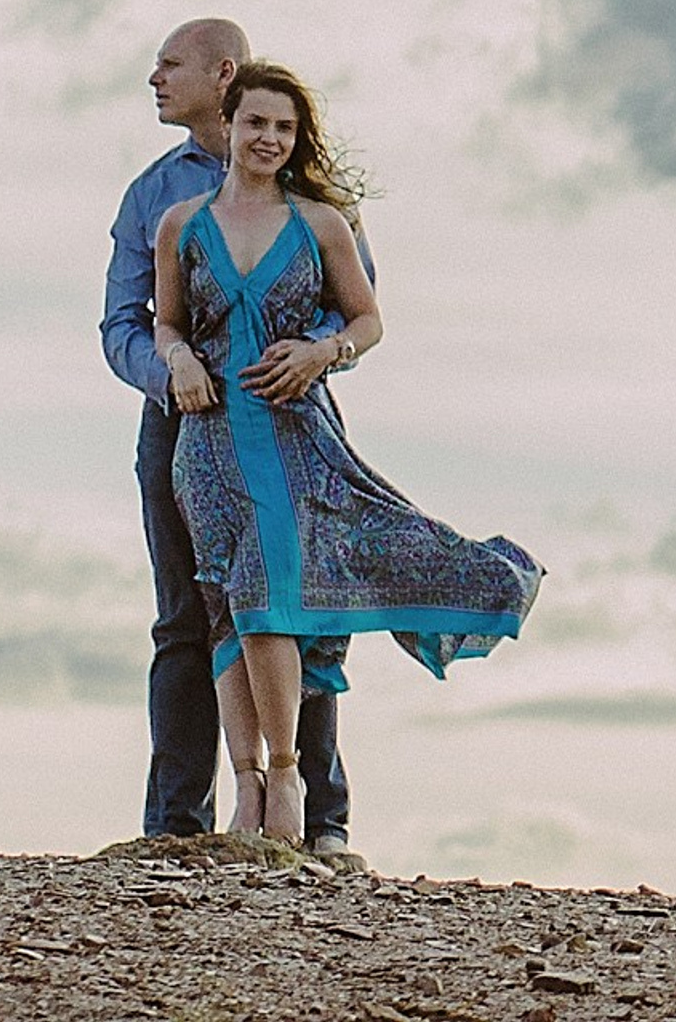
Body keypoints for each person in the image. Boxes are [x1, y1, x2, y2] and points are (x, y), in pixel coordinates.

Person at [152, 61, 542, 843]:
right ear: (227, 125)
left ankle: (290, 776)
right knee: (228, 606)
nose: (269, 139)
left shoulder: (321, 221)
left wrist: (321, 352)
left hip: (298, 435)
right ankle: (249, 789)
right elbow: (163, 321)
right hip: (210, 442)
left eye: (285, 129)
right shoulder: (182, 224)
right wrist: (180, 361)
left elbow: (368, 320)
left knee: (269, 597)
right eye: (257, 123)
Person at [101, 19, 357, 854]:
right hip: (183, 424)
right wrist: (170, 370)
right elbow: (126, 321)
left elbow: (354, 307)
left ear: (223, 75)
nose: (153, 78)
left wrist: (315, 354)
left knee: (298, 609)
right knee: (190, 615)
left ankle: (316, 823)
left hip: (291, 419)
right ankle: (180, 827)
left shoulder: (316, 199)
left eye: (168, 64)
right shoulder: (156, 198)